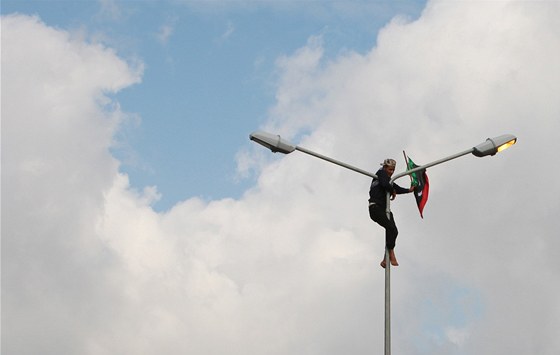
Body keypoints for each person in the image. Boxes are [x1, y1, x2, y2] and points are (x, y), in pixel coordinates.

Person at [368, 158, 414, 268]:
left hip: (385, 209)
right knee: (391, 229)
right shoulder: (380, 173)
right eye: (390, 169)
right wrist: (392, 190)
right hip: (375, 208)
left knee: (394, 231)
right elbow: (385, 185)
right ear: (384, 167)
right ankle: (391, 252)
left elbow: (394, 187)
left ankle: (385, 258)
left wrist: (409, 190)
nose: (391, 172)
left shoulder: (387, 179)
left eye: (393, 170)